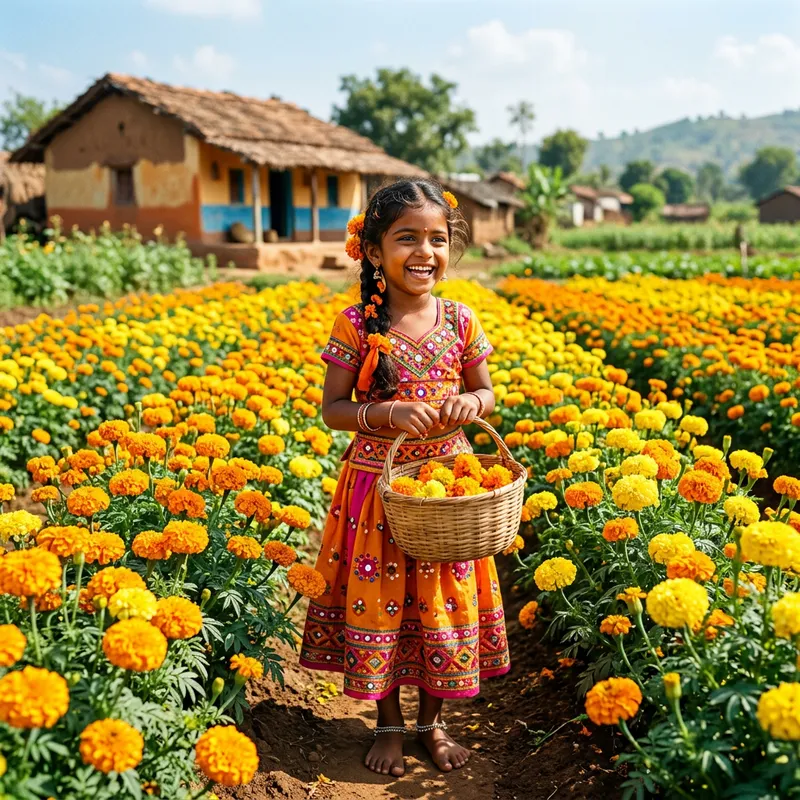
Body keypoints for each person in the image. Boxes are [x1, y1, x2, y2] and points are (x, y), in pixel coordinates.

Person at [299, 178, 510, 778]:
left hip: (450, 489)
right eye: (406, 238)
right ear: (372, 251)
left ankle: (432, 723)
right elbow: (333, 410)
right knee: (386, 601)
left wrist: (475, 404)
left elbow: (486, 391)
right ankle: (389, 724)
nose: (425, 252)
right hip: (378, 486)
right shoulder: (355, 323)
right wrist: (383, 413)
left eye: (438, 239)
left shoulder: (462, 319)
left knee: (442, 602)